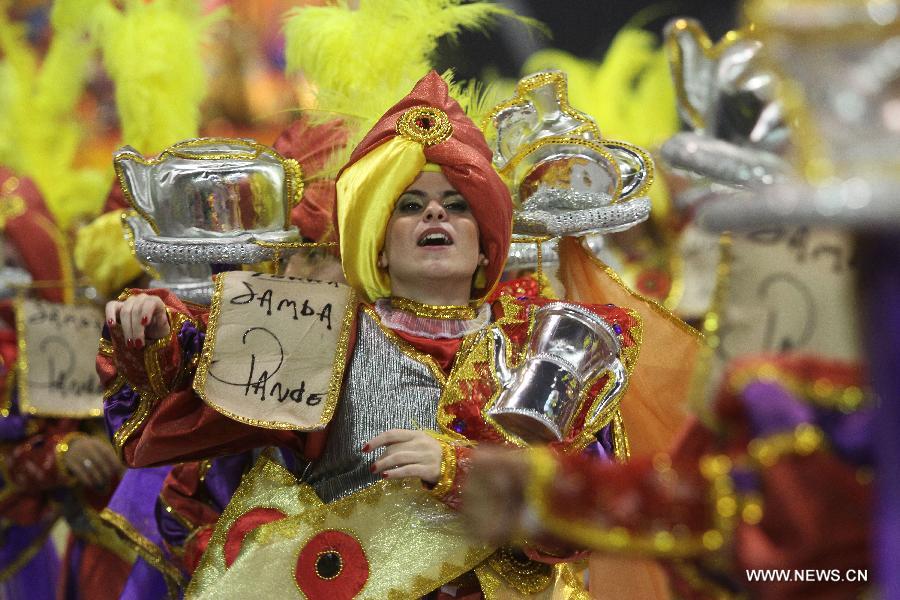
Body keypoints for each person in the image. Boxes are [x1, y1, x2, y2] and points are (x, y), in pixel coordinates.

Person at [99, 71, 642, 598]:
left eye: (458, 206)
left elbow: (588, 501)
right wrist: (151, 330)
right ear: (377, 245)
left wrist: (456, 469)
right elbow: (199, 380)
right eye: (409, 205)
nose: (435, 211)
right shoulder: (321, 331)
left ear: (486, 246)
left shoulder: (538, 340)